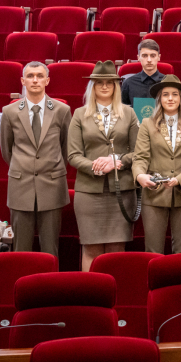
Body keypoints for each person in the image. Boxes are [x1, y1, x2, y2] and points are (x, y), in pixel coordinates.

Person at [67, 62, 139, 272]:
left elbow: (139, 152)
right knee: (91, 248)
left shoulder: (129, 113)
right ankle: (91, 296)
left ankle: (116, 296)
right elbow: (72, 154)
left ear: (117, 87)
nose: (105, 86)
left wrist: (118, 161)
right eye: (100, 83)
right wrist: (96, 166)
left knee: (117, 249)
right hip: (89, 192)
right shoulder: (80, 114)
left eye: (110, 83)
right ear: (92, 86)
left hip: (122, 191)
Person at [0, 61, 72, 259]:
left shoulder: (61, 110)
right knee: (20, 250)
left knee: (50, 248)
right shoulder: (10, 111)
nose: (35, 80)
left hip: (52, 184)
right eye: (30, 76)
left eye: (40, 76)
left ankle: (50, 288)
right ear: (23, 81)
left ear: (47, 80)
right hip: (20, 185)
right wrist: (23, 167)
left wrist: (52, 168)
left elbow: (67, 147)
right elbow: (7, 150)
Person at [133, 74, 181, 255]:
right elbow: (140, 157)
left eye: (175, 94)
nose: (170, 98)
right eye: (165, 95)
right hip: (154, 193)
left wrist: (180, 179)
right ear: (159, 99)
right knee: (153, 250)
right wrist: (139, 175)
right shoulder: (147, 124)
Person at [121, 39, 163, 105]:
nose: (149, 60)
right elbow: (122, 111)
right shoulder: (129, 83)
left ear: (159, 57)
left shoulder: (168, 83)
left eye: (153, 56)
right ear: (138, 58)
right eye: (145, 56)